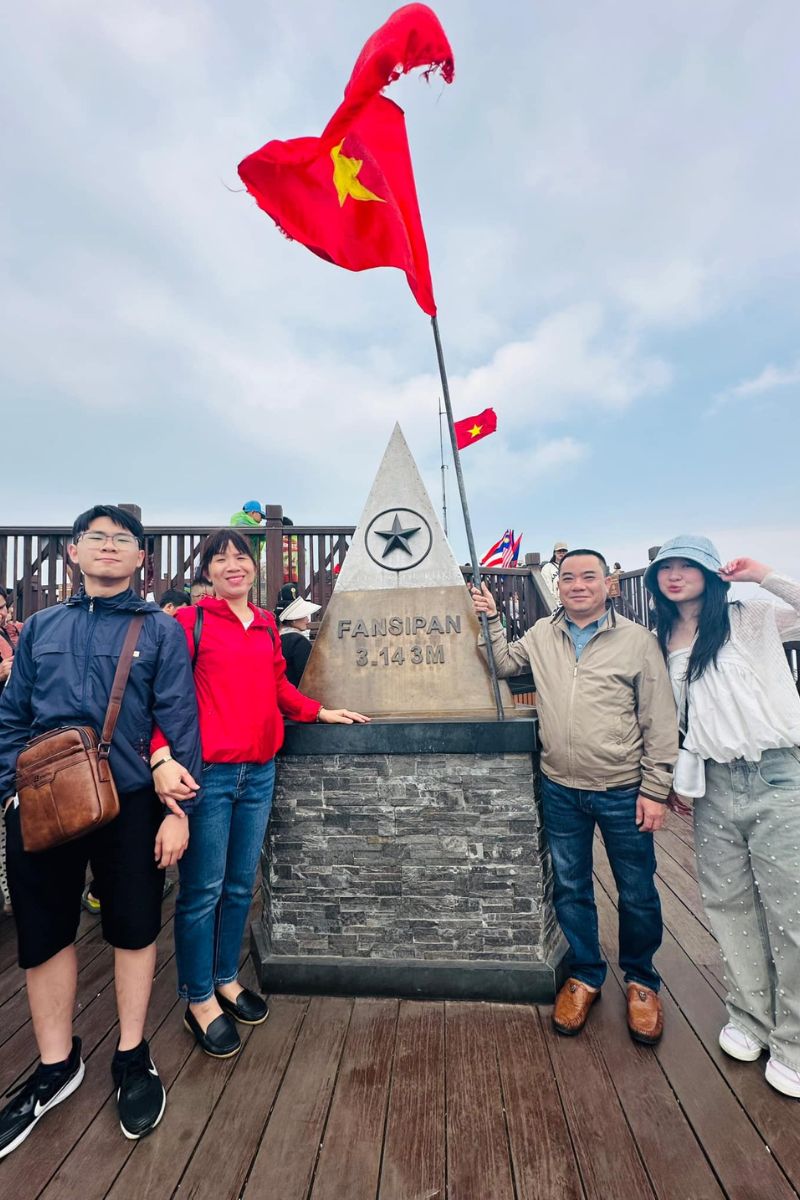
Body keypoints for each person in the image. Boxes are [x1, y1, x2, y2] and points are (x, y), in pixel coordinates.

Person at [0, 505, 202, 1156]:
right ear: (74, 554)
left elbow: (180, 719)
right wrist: (10, 791)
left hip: (135, 800)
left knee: (135, 926)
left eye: (123, 541)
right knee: (43, 933)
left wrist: (179, 814)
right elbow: (12, 715)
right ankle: (57, 1065)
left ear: (143, 558)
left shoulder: (161, 632)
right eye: (97, 538)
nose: (109, 548)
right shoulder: (39, 630)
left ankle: (131, 1052)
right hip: (44, 799)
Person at [151, 529, 368, 1059]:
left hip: (260, 773)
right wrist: (161, 755)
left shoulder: (268, 626)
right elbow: (160, 697)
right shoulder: (189, 622)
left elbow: (277, 687)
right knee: (202, 890)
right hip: (210, 776)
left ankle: (225, 977)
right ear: (207, 571)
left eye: (240, 556)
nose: (232, 565)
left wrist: (318, 711)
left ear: (254, 568)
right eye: (219, 558)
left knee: (240, 886)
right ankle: (198, 998)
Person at [472, 548, 677, 1044]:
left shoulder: (638, 641)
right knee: (570, 886)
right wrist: (493, 619)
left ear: (609, 584)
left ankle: (641, 981)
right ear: (558, 586)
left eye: (589, 576)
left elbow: (660, 718)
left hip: (623, 788)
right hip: (560, 787)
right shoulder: (543, 634)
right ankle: (585, 974)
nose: (578, 585)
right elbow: (501, 663)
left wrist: (656, 789)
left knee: (637, 892)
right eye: (568, 578)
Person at [647, 536, 800, 1098]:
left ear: (713, 573)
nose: (676, 575)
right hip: (710, 785)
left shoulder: (751, 616)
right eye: (667, 567)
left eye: (688, 565)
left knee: (791, 907)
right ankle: (751, 1018)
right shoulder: (663, 638)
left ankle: (795, 1039)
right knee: (728, 902)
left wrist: (765, 575)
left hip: (776, 774)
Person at [278, 595, 321, 687]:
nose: (307, 620)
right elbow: (307, 673)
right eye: (304, 616)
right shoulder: (298, 641)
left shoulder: (278, 638)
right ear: (294, 620)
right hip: (297, 692)